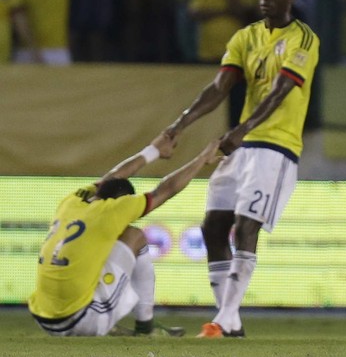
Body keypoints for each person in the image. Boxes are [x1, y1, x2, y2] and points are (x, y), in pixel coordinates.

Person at [157, 0, 319, 338]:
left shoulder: (304, 39)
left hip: (275, 147)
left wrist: (242, 129)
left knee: (247, 225)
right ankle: (229, 319)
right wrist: (179, 125)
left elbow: (282, 91)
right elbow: (219, 87)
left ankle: (226, 318)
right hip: (242, 146)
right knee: (214, 225)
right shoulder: (246, 36)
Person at [28, 134, 221, 337]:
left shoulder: (73, 201)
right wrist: (202, 160)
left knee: (105, 250)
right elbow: (167, 189)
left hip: (42, 316)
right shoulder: (115, 209)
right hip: (77, 320)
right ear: (120, 200)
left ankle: (106, 320)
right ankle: (146, 327)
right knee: (135, 236)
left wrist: (153, 151)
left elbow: (113, 176)